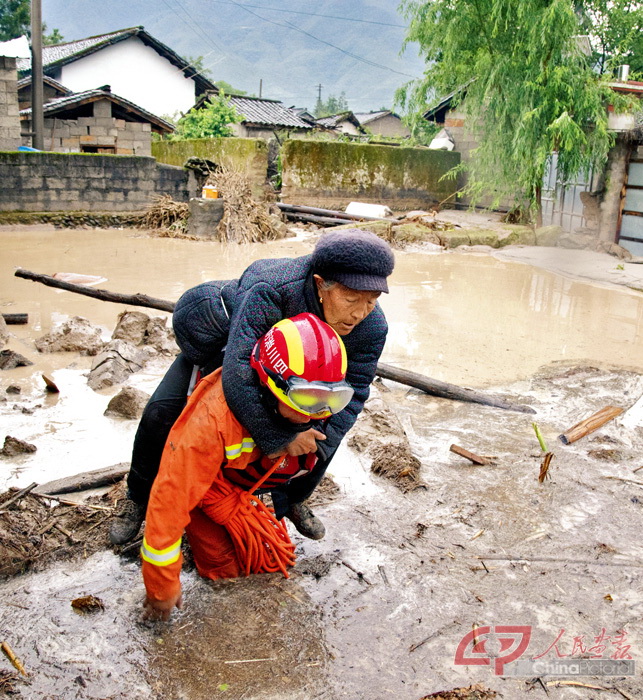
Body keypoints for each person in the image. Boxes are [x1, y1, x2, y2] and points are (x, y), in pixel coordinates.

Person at [110, 229, 395, 546]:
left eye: (371, 301)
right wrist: (279, 438)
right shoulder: (272, 287)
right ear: (320, 285)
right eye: (351, 299)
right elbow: (238, 367)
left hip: (299, 377)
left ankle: (294, 500)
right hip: (225, 343)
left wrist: (317, 448)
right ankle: (136, 497)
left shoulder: (371, 327)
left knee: (323, 434)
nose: (359, 312)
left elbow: (354, 391)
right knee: (162, 414)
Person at [141, 313, 354, 622]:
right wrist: (161, 589)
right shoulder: (211, 421)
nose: (321, 411)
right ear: (271, 385)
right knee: (224, 572)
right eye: (308, 398)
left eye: (333, 398)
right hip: (208, 488)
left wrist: (290, 436)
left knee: (259, 561)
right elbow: (168, 504)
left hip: (242, 479)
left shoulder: (307, 401)